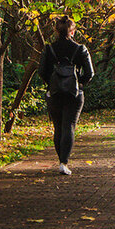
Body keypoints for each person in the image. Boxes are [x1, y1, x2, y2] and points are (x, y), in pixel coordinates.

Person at [41, 16, 94, 175]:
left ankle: (61, 160)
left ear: (56, 30)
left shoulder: (49, 49)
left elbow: (42, 72)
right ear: (72, 31)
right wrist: (79, 84)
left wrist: (52, 84)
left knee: (58, 127)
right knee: (69, 125)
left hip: (54, 93)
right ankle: (64, 163)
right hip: (74, 94)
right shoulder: (80, 49)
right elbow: (90, 73)